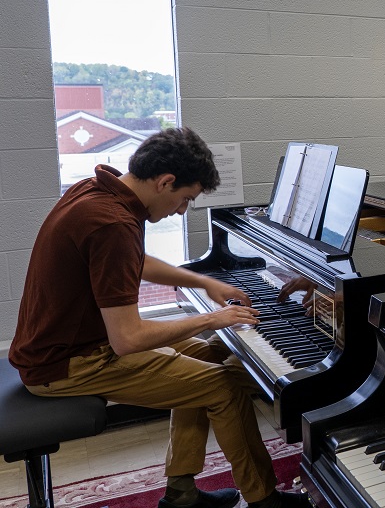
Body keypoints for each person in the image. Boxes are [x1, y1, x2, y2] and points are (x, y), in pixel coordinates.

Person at [8, 128, 310, 508]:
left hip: (69, 346)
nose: (182, 210)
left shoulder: (98, 191)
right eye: (184, 199)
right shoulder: (112, 223)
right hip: (68, 364)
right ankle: (265, 500)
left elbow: (131, 262)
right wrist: (210, 319)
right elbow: (128, 340)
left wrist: (202, 282)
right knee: (224, 386)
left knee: (209, 355)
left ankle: (181, 495)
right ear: (165, 181)